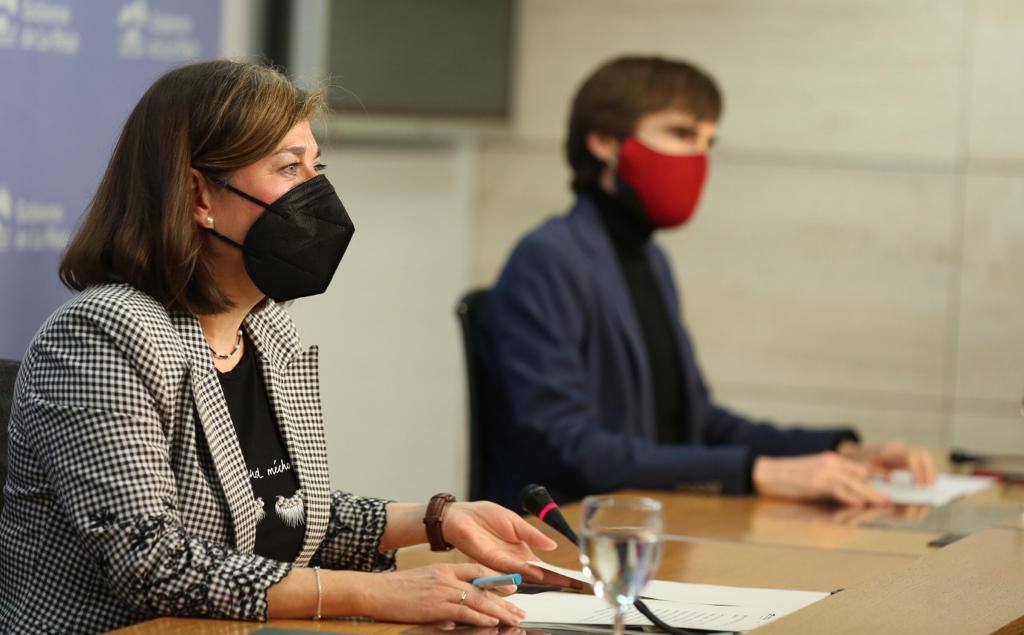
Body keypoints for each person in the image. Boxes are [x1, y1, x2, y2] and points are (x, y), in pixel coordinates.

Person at [0, 60, 564, 634]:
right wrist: (380, 593)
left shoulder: (268, 333)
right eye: (289, 168)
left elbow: (279, 514)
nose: (317, 194)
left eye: (317, 168)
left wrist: (436, 519)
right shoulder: (101, 334)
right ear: (199, 193)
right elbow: (153, 563)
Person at [476, 56, 936, 511]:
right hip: (570, 543)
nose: (697, 157)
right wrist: (758, 472)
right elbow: (570, 448)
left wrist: (838, 451)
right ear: (603, 142)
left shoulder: (650, 259)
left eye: (708, 142)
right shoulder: (548, 258)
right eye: (681, 133)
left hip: (655, 525)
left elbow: (698, 424)